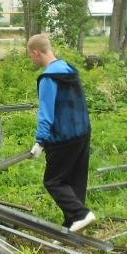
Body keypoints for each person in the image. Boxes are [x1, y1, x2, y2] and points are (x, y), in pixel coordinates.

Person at [26, 34, 95, 232]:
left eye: (31, 56)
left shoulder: (49, 78)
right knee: (75, 181)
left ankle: (81, 215)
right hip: (82, 132)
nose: (32, 59)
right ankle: (73, 223)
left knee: (53, 181)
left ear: (36, 52)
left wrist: (40, 141)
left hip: (63, 137)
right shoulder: (69, 69)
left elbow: (46, 113)